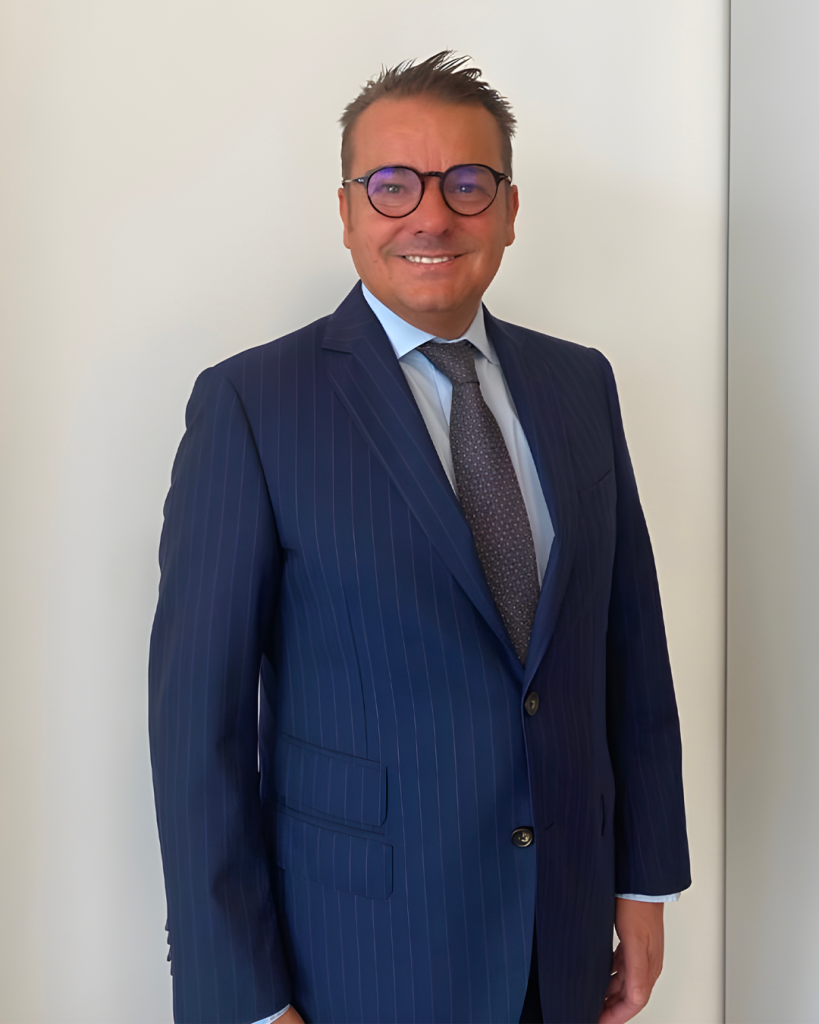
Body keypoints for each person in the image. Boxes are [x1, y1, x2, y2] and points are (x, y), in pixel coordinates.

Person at [149, 51, 690, 1024]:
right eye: (393, 186)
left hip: (561, 938)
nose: (431, 217)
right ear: (347, 211)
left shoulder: (579, 384)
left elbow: (629, 653)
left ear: (510, 210)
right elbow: (201, 733)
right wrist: (244, 1000)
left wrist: (643, 882)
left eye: (466, 184)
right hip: (359, 955)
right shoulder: (253, 405)